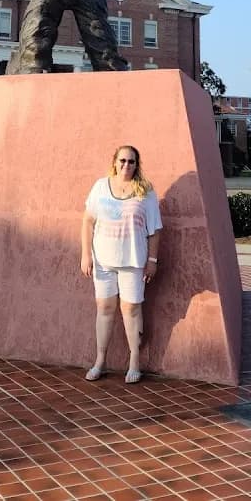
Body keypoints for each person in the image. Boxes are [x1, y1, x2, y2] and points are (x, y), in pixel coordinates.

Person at [80, 145, 162, 384]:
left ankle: (134, 362)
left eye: (132, 162)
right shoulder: (100, 187)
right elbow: (87, 221)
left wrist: (152, 261)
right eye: (123, 160)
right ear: (114, 162)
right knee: (104, 309)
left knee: (131, 309)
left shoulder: (145, 191)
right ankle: (100, 361)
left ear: (137, 165)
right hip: (103, 260)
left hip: (133, 261)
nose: (127, 165)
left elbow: (155, 230)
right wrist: (86, 255)